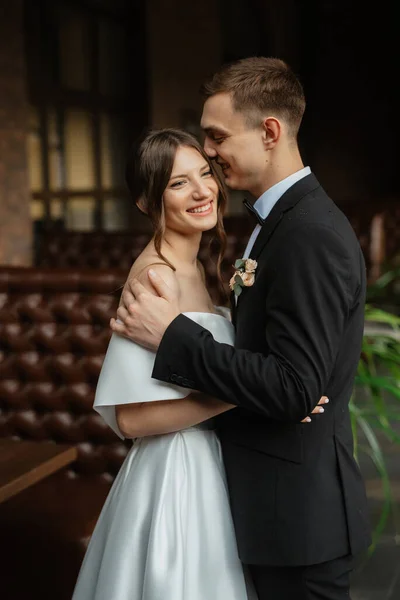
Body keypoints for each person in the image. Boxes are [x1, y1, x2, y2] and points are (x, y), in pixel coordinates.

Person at [112, 57, 372, 600]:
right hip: (256, 500)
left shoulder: (307, 234)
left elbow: (294, 386)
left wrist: (174, 338)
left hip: (298, 515)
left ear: (270, 132)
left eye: (216, 138)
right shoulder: (272, 223)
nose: (208, 152)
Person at [72, 128, 327, 600]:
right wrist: (247, 395)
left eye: (204, 174)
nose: (202, 191)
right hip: (177, 477)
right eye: (177, 184)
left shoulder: (198, 265)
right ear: (148, 203)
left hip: (214, 465)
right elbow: (130, 417)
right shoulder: (156, 278)